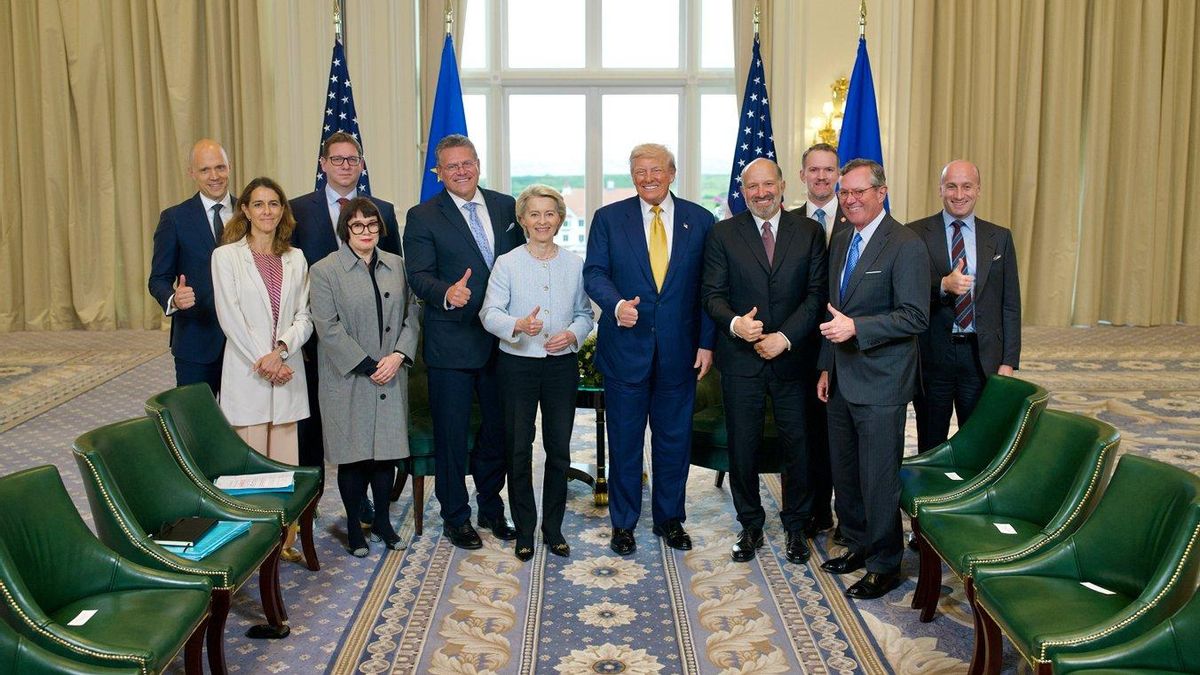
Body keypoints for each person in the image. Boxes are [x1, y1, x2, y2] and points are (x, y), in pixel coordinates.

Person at [583, 143, 715, 556]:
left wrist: (707, 343)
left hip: (680, 352)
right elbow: (594, 272)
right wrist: (617, 305)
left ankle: (670, 520)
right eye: (639, 171)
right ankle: (623, 524)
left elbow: (711, 289)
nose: (648, 178)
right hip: (626, 350)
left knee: (673, 442)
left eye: (656, 170)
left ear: (672, 173)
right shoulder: (609, 219)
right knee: (624, 442)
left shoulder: (701, 219)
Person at [403, 134, 525, 550]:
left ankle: (491, 508)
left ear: (478, 163)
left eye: (467, 163)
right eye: (451, 166)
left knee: (498, 432)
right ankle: (456, 516)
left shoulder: (506, 206)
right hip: (452, 343)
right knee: (452, 436)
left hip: (503, 344)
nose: (461, 171)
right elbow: (417, 275)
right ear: (439, 173)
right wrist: (444, 293)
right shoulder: (423, 216)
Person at [702, 158, 827, 564]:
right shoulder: (722, 233)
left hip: (793, 360)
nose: (761, 193)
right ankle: (750, 524)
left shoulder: (809, 231)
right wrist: (737, 324)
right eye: (752, 186)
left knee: (799, 445)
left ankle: (796, 525)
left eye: (767, 184)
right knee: (744, 445)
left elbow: (815, 295)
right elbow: (712, 295)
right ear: (742, 190)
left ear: (783, 184)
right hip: (741, 361)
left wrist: (784, 338)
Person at [816, 159, 929, 600]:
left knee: (879, 475)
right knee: (846, 471)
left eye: (860, 192)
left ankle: (886, 563)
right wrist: (827, 364)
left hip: (883, 381)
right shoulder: (842, 239)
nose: (850, 199)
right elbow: (833, 309)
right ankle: (859, 544)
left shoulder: (906, 244)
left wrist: (858, 330)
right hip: (841, 377)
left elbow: (915, 316)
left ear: (882, 193)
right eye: (845, 193)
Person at [291, 131, 404, 525]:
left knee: (366, 438)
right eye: (336, 159)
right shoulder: (297, 209)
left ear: (361, 163)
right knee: (319, 432)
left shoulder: (383, 209)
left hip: (373, 347)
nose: (344, 165)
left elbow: (396, 284)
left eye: (352, 159)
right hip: (313, 342)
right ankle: (311, 506)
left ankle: (365, 511)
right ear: (323, 164)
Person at [480, 185, 594, 562]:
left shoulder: (575, 264)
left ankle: (554, 528)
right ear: (523, 220)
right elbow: (489, 313)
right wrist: (516, 325)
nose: (542, 221)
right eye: (534, 214)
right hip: (517, 365)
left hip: (561, 366)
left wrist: (573, 334)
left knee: (559, 449)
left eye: (549, 214)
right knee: (518, 449)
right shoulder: (507, 263)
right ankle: (525, 530)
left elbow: (585, 314)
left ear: (560, 219)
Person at [309, 197, 420, 557]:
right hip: (349, 378)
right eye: (357, 225)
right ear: (345, 230)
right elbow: (327, 327)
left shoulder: (397, 265)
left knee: (384, 455)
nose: (366, 232)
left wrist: (399, 355)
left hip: (390, 373)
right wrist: (369, 364)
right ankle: (355, 527)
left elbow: (412, 314)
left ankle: (384, 523)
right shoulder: (324, 270)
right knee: (354, 457)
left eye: (372, 225)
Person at [212, 177, 313, 561]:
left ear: (282, 210)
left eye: (274, 204)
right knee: (250, 470)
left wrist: (282, 350)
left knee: (284, 467)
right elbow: (230, 316)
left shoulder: (296, 257)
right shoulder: (226, 257)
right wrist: (266, 360)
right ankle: (252, 547)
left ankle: (285, 542)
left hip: (286, 373)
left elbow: (305, 315)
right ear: (245, 210)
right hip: (250, 373)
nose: (267, 211)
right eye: (259, 204)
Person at [909, 160, 1022, 451]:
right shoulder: (916, 234)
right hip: (933, 356)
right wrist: (942, 285)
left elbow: (1010, 304)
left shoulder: (999, 238)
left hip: (980, 357)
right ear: (940, 190)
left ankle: (970, 495)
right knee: (931, 443)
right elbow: (907, 294)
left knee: (978, 443)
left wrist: (1008, 361)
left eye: (967, 186)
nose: (959, 194)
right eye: (952, 186)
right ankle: (933, 496)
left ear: (978, 190)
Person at [148, 139, 234, 395]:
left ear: (230, 167)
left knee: (243, 425)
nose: (215, 176)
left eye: (220, 167)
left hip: (244, 344)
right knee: (197, 423)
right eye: (205, 170)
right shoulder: (174, 219)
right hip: (197, 341)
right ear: (192, 173)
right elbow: (158, 279)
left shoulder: (249, 212)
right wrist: (174, 298)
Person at [795, 145, 848, 541]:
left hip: (848, 347)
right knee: (809, 434)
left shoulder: (860, 218)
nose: (821, 177)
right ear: (801, 176)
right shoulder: (789, 222)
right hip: (800, 345)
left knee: (843, 437)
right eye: (814, 170)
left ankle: (849, 515)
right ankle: (815, 511)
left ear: (839, 174)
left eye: (829, 170)